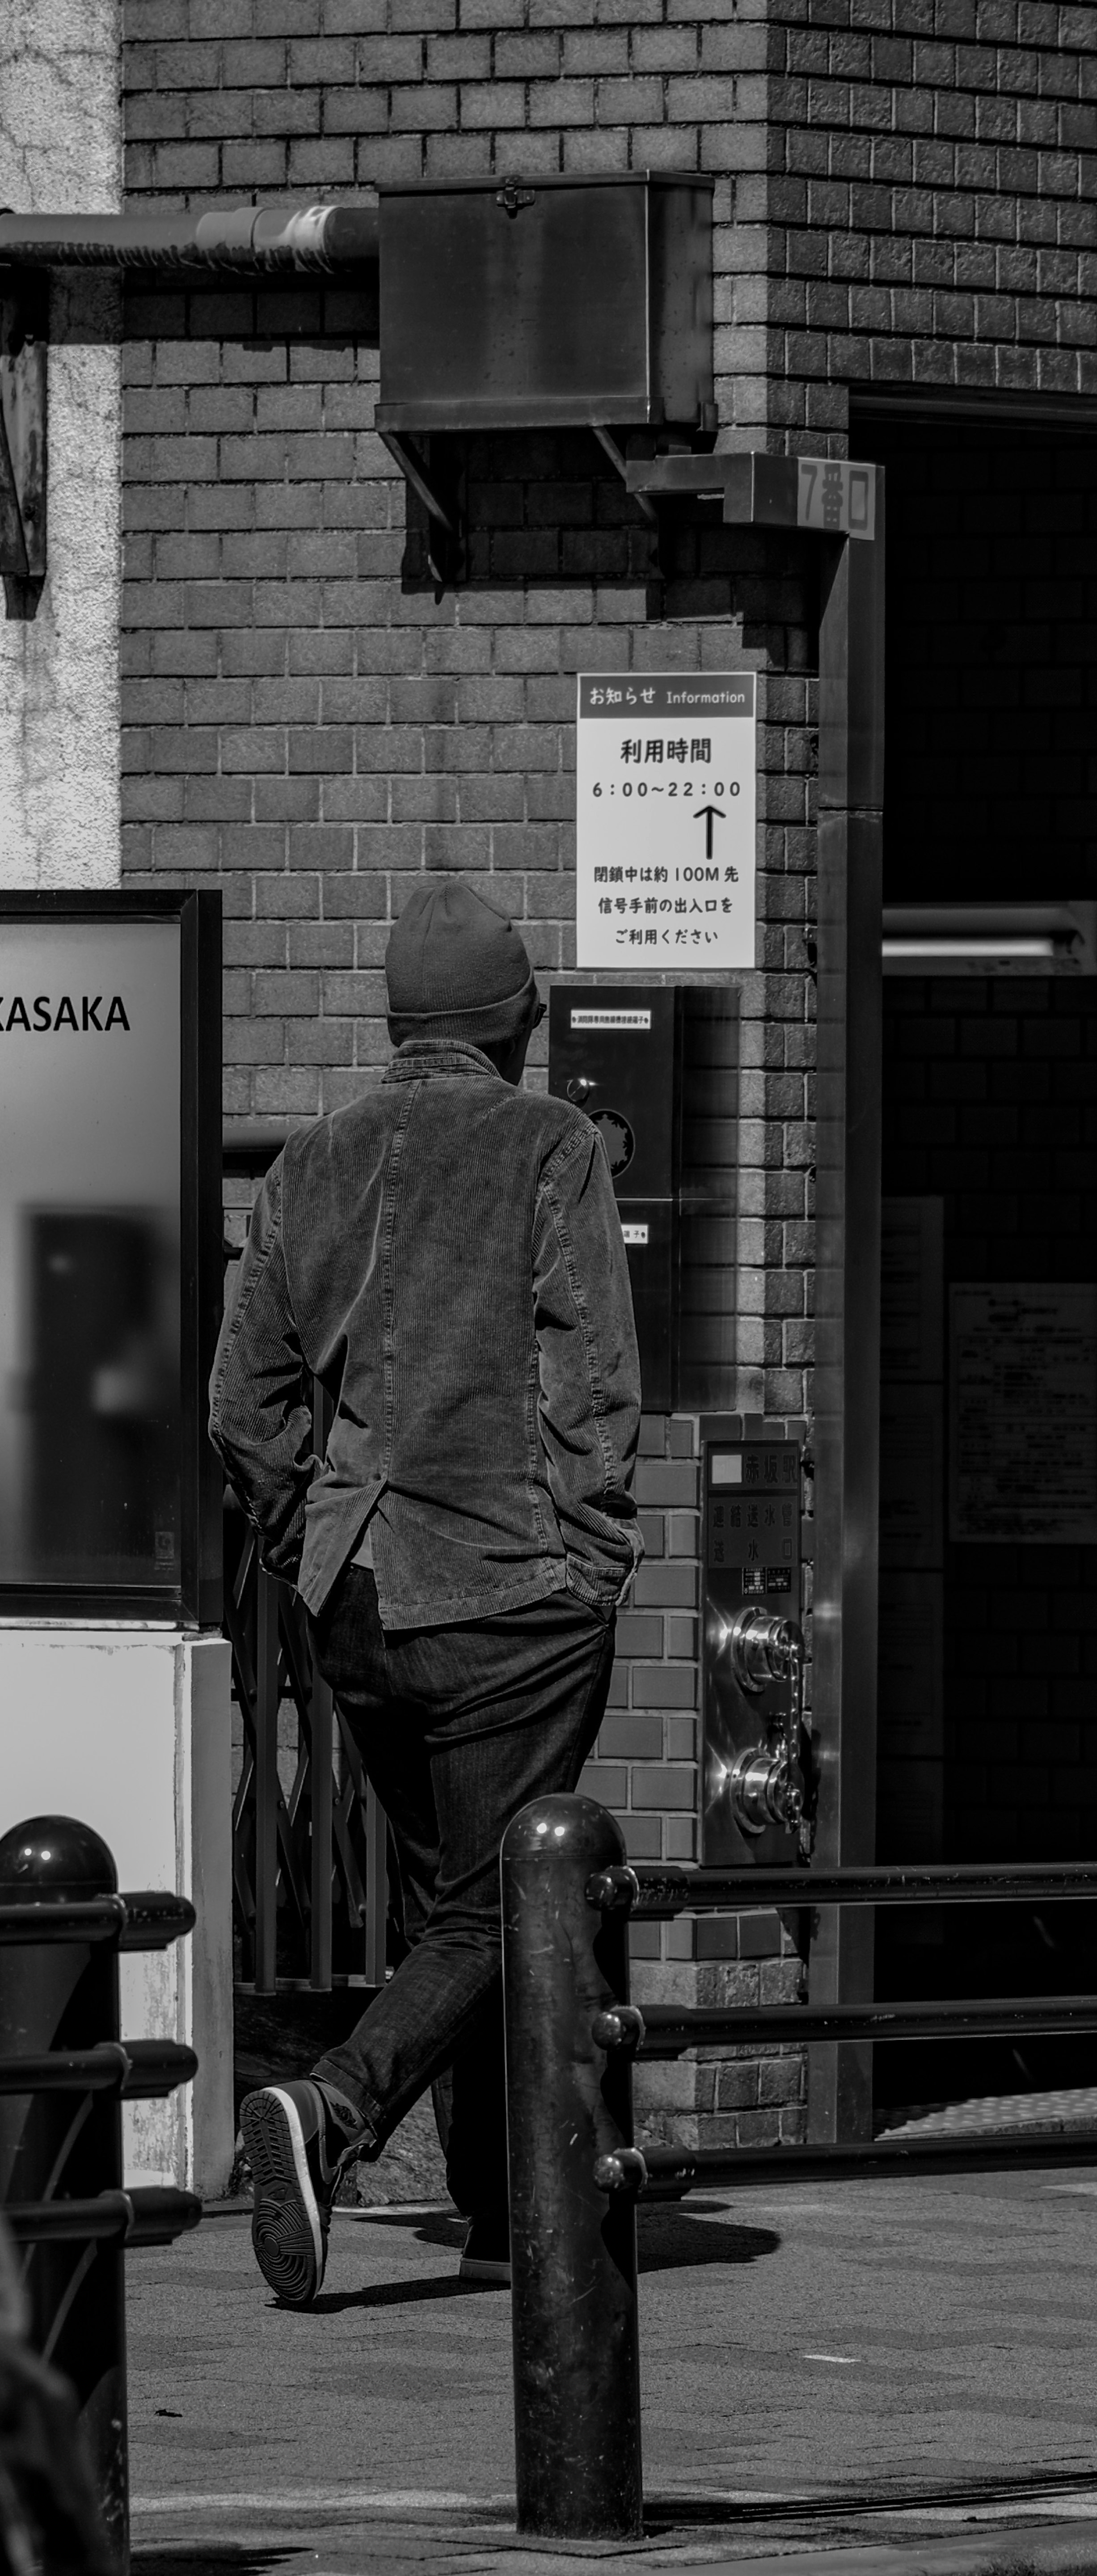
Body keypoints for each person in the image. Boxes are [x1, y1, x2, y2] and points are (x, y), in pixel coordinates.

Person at [210, 881, 641, 2305]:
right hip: (512, 1593)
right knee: (498, 1910)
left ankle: (507, 2211)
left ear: (400, 1023)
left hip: (357, 1602)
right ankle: (330, 2112)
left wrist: (300, 1539)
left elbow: (243, 1407)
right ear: (514, 1026)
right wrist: (593, 1560)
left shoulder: (306, 1165)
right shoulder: (554, 1149)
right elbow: (593, 1385)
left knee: (453, 1896)